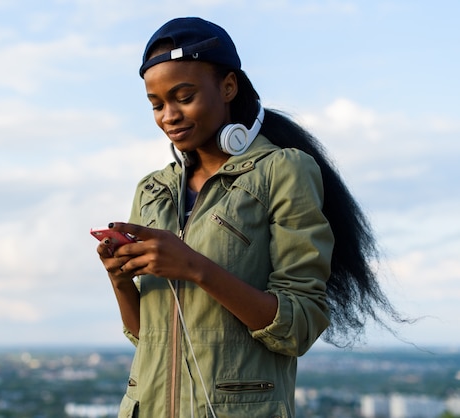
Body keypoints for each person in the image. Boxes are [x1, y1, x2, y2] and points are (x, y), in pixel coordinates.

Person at [96, 17, 404, 418]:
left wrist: (194, 266)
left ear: (228, 86)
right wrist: (120, 281)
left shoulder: (282, 171)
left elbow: (299, 326)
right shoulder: (152, 190)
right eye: (157, 105)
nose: (168, 115)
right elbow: (151, 341)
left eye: (183, 96)